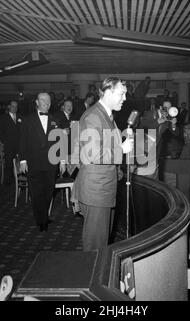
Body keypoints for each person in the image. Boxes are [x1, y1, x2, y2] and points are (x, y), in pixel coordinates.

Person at [74, 77, 134, 251]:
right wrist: (121, 149)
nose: (125, 98)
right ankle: (94, 278)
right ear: (108, 92)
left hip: (104, 188)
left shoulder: (107, 115)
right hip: (96, 190)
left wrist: (123, 138)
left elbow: (106, 146)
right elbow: (92, 153)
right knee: (95, 247)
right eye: (121, 94)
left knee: (102, 242)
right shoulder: (93, 115)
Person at [19, 93, 66, 232]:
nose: (46, 102)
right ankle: (42, 220)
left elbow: (60, 141)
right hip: (33, 162)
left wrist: (62, 161)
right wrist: (22, 160)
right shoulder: (27, 120)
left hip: (51, 163)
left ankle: (43, 215)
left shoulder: (55, 119)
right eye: (43, 100)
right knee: (36, 192)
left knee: (49, 191)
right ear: (36, 102)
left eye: (48, 101)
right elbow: (22, 141)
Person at [0, 100, 21, 185]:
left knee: (20, 162)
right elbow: (0, 132)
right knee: (9, 163)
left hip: (19, 144)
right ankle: (8, 181)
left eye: (16, 106)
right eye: (13, 106)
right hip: (9, 144)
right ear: (9, 107)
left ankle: (19, 179)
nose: (15, 108)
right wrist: (5, 141)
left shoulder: (20, 116)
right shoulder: (3, 117)